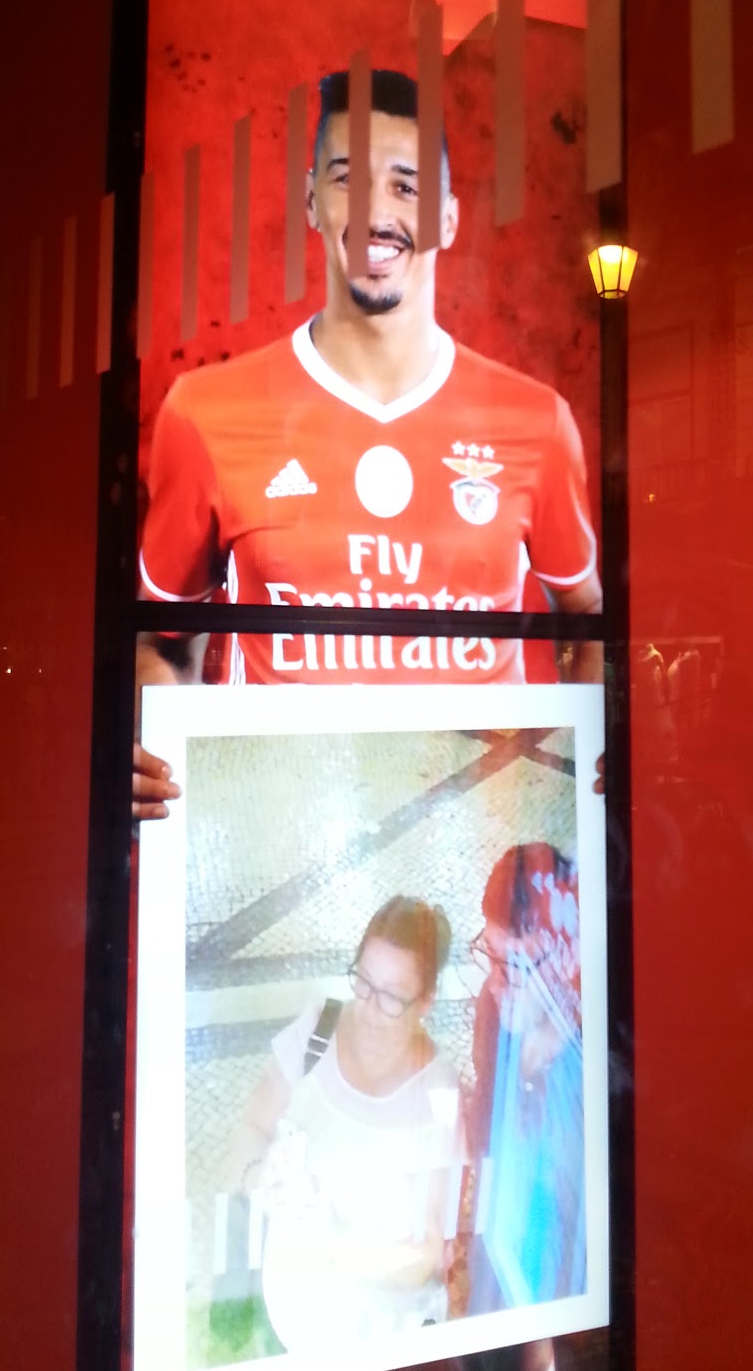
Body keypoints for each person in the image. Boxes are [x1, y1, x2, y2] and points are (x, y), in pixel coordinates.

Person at [133, 67, 602, 814]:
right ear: (311, 199)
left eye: (406, 186)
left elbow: (589, 621)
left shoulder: (536, 422)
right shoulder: (206, 411)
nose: (376, 212)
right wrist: (152, 754)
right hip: (283, 837)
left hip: (474, 838)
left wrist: (586, 773)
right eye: (348, 179)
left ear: (448, 218)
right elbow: (161, 639)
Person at [219, 896, 465, 1359]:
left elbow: (429, 1253)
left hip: (384, 1346)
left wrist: (332, 1243)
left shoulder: (438, 1091)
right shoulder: (318, 1028)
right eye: (364, 982)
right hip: (288, 1323)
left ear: (425, 1002)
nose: (369, 1009)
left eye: (391, 997)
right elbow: (252, 1124)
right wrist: (260, 1178)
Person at [461, 843, 585, 1371]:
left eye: (517, 967)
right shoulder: (496, 1014)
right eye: (490, 956)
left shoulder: (591, 1068)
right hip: (499, 1307)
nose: (496, 984)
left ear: (565, 957)